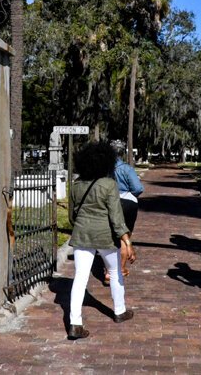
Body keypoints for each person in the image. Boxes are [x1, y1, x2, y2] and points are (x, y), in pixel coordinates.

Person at [65, 142, 136, 340]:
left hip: (82, 235)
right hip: (105, 236)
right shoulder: (109, 184)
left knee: (80, 278)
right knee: (115, 272)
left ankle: (75, 323)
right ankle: (119, 311)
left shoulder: (77, 185)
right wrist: (126, 240)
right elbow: (116, 217)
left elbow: (72, 216)